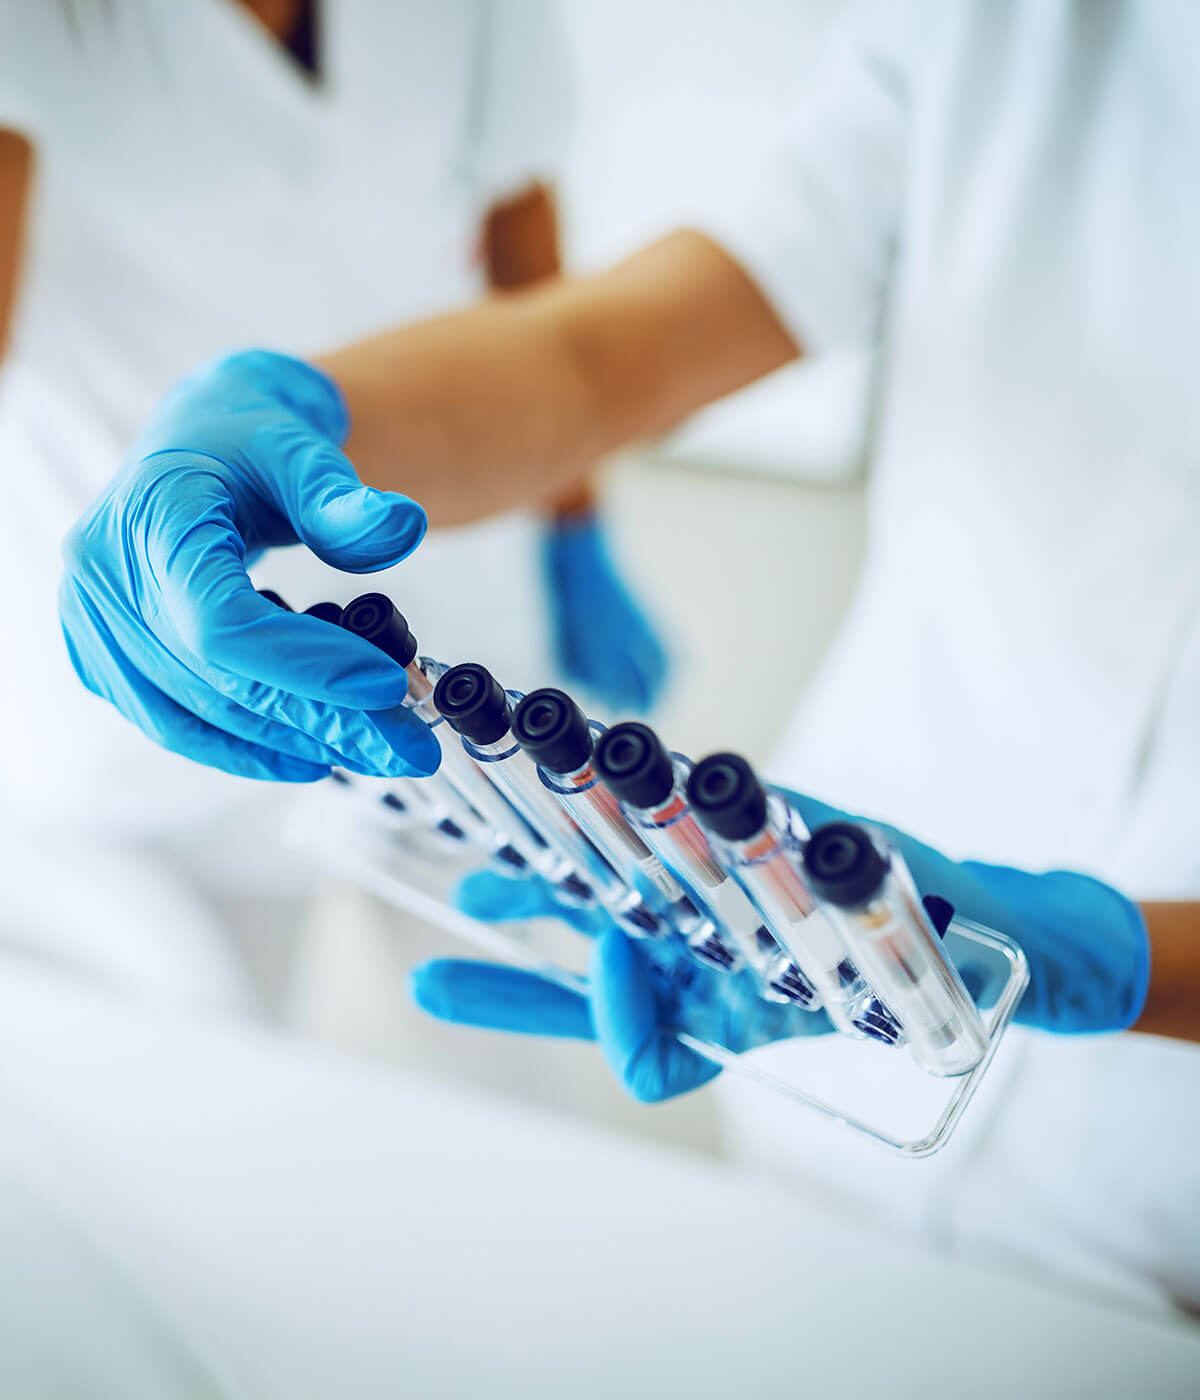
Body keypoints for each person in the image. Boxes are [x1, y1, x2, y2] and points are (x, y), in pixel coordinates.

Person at [52, 0, 1200, 1307]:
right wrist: (300, 419)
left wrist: (1116, 958)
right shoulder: (1021, 30)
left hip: (1168, 1202)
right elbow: (602, 349)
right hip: (813, 1056)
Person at [0, 0, 665, 1001]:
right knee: (190, 1085)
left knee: (525, 1037)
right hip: (157, 654)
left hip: (453, 595)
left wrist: (575, 524)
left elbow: (524, 242)